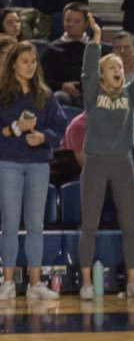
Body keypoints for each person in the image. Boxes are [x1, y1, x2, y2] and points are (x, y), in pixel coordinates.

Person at [78, 13, 134, 300]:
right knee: (89, 224)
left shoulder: (130, 93)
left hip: (123, 162)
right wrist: (96, 41)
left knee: (129, 224)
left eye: (120, 67)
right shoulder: (92, 93)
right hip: (96, 163)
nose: (119, 70)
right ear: (103, 75)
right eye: (112, 66)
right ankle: (86, 282)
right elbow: (88, 70)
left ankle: (132, 283)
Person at [0, 41, 65, 300]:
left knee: (36, 224)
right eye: (25, 60)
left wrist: (43, 137)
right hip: (9, 163)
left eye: (34, 61)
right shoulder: (3, 94)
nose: (30, 65)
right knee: (10, 224)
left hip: (38, 165)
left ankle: (35, 282)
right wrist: (15, 129)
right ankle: (7, 281)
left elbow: (60, 129)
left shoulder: (45, 95)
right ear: (13, 63)